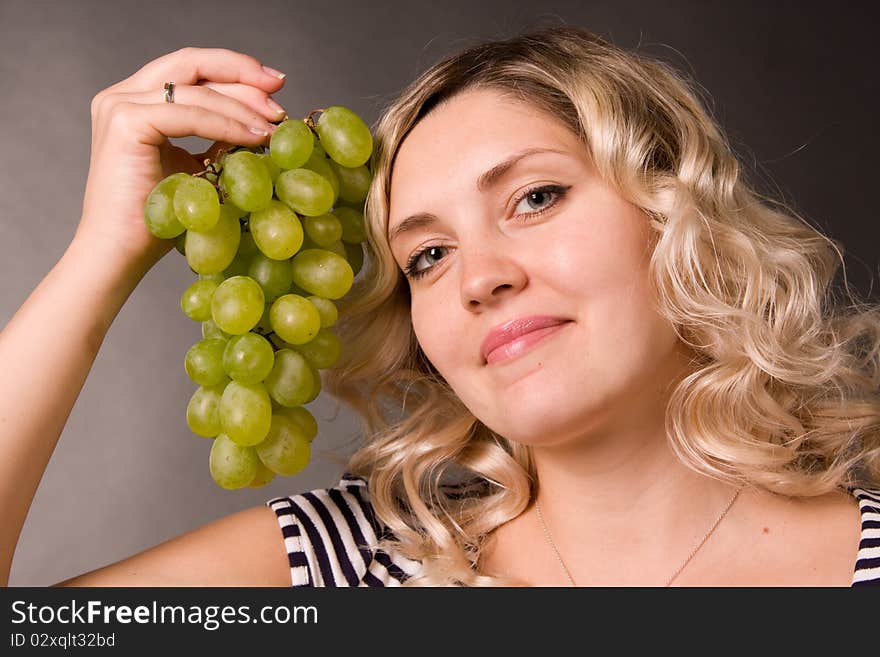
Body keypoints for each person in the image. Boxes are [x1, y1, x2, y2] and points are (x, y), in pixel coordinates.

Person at [1, 26, 878, 588]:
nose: (478, 278)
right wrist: (101, 255)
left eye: (534, 198)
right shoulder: (344, 567)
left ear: (671, 211)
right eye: (427, 254)